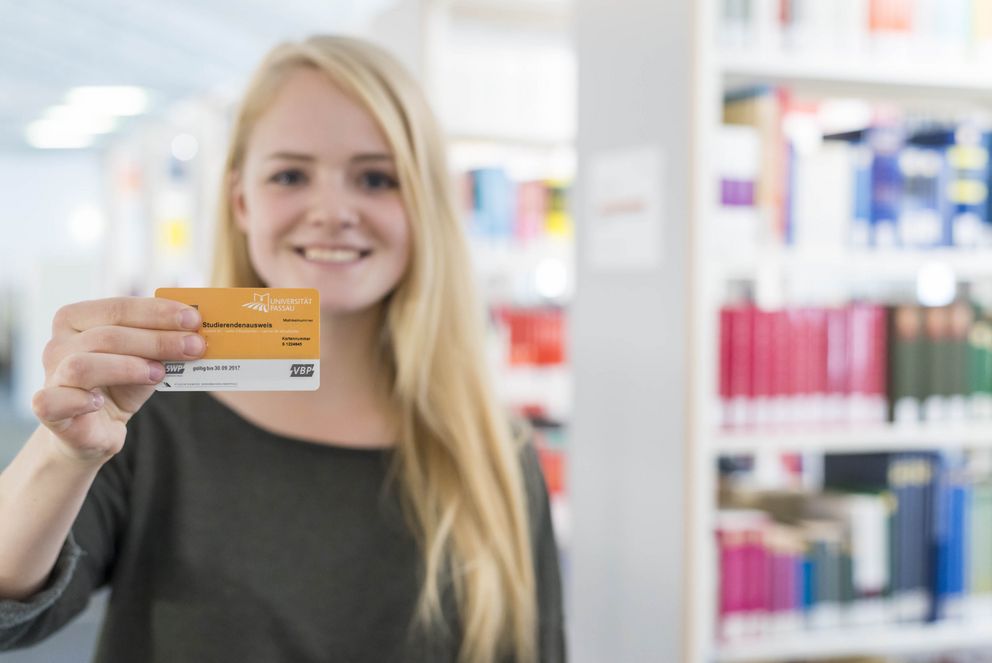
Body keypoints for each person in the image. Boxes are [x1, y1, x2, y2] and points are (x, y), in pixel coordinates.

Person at [0, 35, 565, 663]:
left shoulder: (496, 456)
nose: (331, 211)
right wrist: (60, 453)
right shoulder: (145, 415)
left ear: (424, 205)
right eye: (291, 175)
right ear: (243, 202)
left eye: (376, 178)